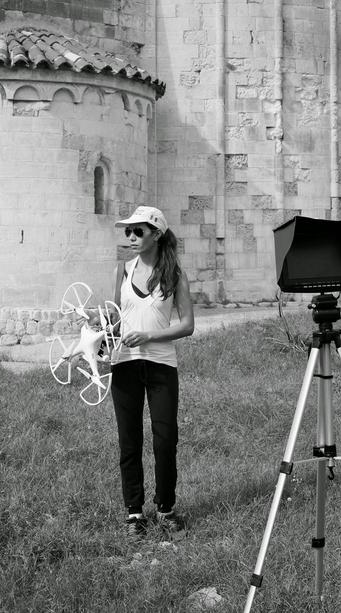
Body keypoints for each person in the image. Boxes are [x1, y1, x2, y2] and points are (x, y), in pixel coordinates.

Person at [111, 205, 194, 539]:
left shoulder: (175, 274)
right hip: (124, 364)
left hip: (161, 365)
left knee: (165, 439)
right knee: (129, 440)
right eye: (128, 232)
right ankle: (134, 513)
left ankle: (165, 509)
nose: (131, 237)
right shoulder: (122, 270)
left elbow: (187, 325)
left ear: (156, 234)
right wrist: (99, 329)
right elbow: (113, 317)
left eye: (138, 231)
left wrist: (149, 336)